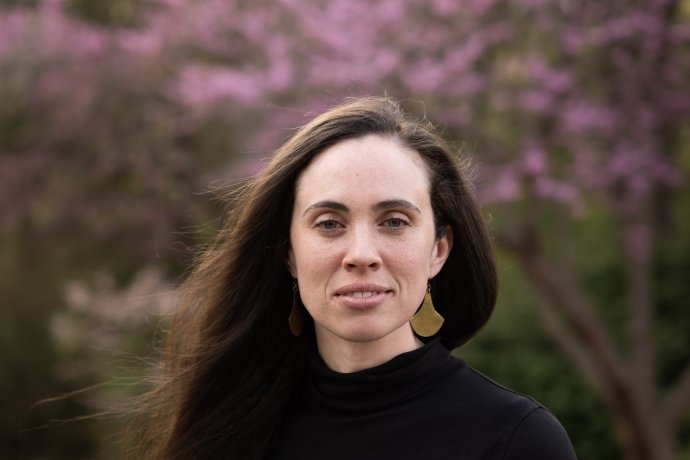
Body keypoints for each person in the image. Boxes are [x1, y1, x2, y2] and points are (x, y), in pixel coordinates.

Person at [132, 97, 577, 459]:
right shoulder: (227, 426)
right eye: (329, 223)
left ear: (438, 251)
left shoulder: (517, 441)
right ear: (288, 253)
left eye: (395, 221)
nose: (361, 255)